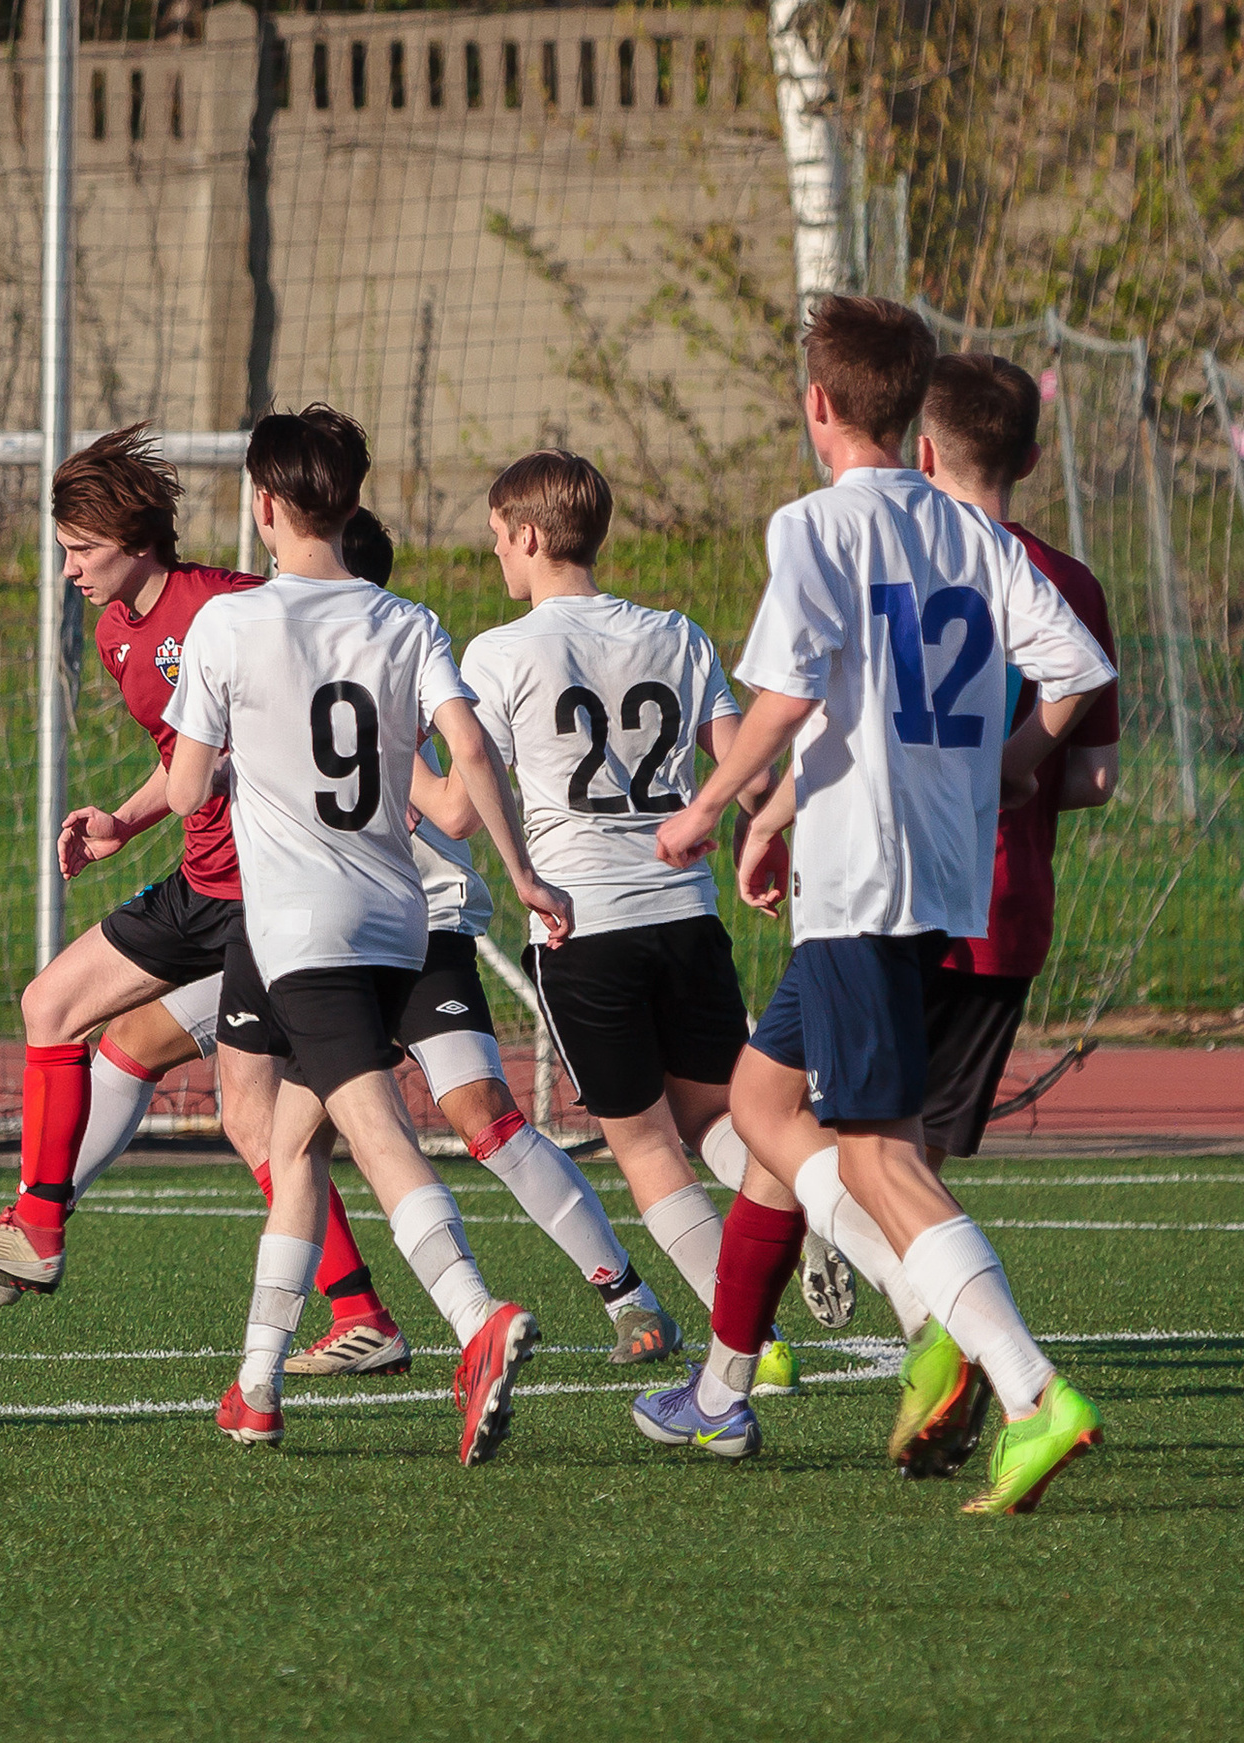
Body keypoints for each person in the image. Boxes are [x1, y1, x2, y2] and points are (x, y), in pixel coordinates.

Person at [632, 296, 1116, 1517]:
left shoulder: (814, 525)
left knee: (880, 1154)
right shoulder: (967, 530)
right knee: (759, 1102)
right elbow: (1071, 669)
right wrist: (1009, 768)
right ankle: (910, 1312)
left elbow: (792, 696)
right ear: (912, 410)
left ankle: (1025, 1386)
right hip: (929, 873)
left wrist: (708, 811)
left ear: (819, 405)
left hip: (863, 879)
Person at [66, 507, 686, 1370]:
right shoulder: (299, 655)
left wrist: (413, 783)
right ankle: (50, 1222)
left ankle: (609, 1297)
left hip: (410, 924)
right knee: (168, 1058)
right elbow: (202, 775)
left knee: (469, 1117)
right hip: (319, 931)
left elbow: (446, 805)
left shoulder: (381, 661)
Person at [0, 427, 409, 1374]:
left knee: (257, 1116)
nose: (69, 570)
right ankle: (37, 1229)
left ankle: (367, 1309)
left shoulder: (227, 602)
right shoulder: (115, 635)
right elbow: (186, 759)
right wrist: (123, 823)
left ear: (137, 540)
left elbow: (339, 659)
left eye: (82, 550)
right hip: (202, 884)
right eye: (63, 550)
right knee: (55, 1006)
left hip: (271, 893)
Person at [161, 405, 571, 1462]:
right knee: (294, 1143)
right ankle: (256, 1383)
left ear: (264, 506)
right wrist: (523, 872)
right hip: (395, 920)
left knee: (379, 1136)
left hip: (302, 932)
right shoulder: (406, 620)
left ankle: (475, 1318)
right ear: (348, 507)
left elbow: (188, 788)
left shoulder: (229, 624)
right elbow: (469, 750)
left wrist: (226, 760)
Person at [447, 450, 798, 1389]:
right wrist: (761, 834)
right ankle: (818, 1215)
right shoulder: (677, 633)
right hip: (685, 912)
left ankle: (755, 1341)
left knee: (644, 1144)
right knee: (721, 1117)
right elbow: (749, 775)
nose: (497, 555)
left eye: (497, 538)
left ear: (527, 535)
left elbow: (456, 810)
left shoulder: (500, 652)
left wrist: (393, 758)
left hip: (585, 924)